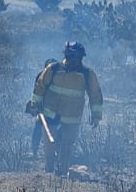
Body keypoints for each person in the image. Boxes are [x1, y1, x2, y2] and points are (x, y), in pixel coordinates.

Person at [25, 41, 104, 176]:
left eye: (78, 58)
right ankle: (49, 172)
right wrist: (34, 103)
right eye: (72, 57)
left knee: (67, 147)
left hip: (72, 118)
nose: (75, 61)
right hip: (50, 115)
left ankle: (62, 173)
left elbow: (95, 95)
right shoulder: (53, 69)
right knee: (50, 145)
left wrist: (96, 115)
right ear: (67, 56)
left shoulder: (87, 74)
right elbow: (40, 86)